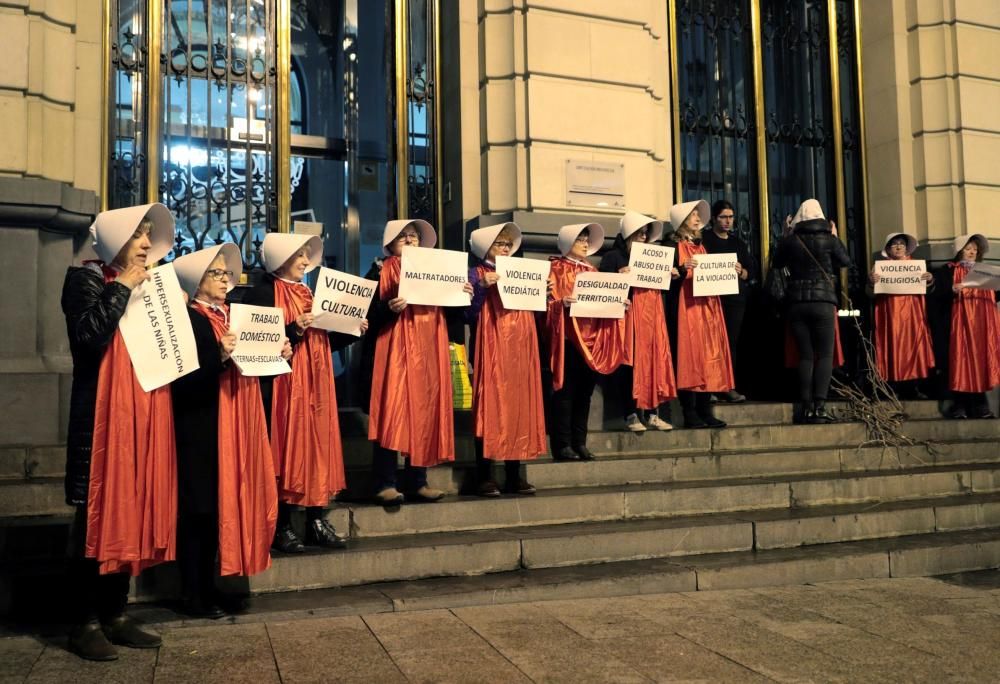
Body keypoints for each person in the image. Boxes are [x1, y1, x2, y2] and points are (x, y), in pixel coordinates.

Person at [60, 203, 175, 660]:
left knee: (131, 507)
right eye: (138, 235)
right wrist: (123, 286)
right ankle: (83, 622)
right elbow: (88, 338)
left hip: (142, 413)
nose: (147, 244)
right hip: (102, 420)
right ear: (116, 239)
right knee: (93, 517)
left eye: (150, 235)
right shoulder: (84, 279)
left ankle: (116, 614)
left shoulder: (153, 283)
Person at [172, 245, 287, 609]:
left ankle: (213, 585)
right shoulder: (189, 317)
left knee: (222, 503)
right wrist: (219, 356)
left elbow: (254, 368)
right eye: (216, 274)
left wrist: (280, 352)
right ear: (196, 281)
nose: (226, 280)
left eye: (227, 274)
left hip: (238, 420)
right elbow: (184, 376)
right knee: (201, 508)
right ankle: (193, 591)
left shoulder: (235, 315)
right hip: (203, 424)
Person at [243, 233, 364, 553]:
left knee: (317, 448)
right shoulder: (261, 293)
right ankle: (281, 524)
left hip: (317, 386)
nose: (305, 261)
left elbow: (323, 340)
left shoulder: (308, 292)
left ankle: (315, 520)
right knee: (284, 450)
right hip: (281, 388)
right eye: (298, 255)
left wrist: (351, 331)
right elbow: (253, 341)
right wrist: (291, 330)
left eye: (306, 255)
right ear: (281, 258)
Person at [367, 219, 472, 504]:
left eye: (414, 236)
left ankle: (417, 481)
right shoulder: (379, 271)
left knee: (425, 411)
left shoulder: (437, 269)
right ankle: (385, 482)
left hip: (429, 351)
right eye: (403, 237)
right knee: (393, 411)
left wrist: (463, 298)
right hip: (394, 352)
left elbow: (455, 317)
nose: (410, 240)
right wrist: (388, 309)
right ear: (390, 243)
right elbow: (365, 317)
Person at [466, 223, 544, 496]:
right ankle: (484, 475)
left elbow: (536, 312)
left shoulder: (521, 272)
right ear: (486, 247)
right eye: (500, 244)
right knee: (489, 406)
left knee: (518, 407)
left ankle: (514, 473)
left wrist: (544, 295)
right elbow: (466, 314)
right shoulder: (475, 273)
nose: (506, 248)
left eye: (508, 244)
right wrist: (481, 288)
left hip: (521, 349)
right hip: (492, 349)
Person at [545, 223, 630, 460]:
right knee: (565, 392)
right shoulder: (554, 269)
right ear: (567, 242)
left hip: (592, 341)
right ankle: (562, 444)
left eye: (585, 239)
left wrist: (620, 303)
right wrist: (560, 305)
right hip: (568, 339)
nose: (584, 243)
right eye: (579, 239)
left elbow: (603, 302)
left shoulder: (593, 272)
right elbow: (545, 304)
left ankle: (579, 441)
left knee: (585, 393)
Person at [771, 199, 851, 424]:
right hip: (823, 301)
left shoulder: (791, 240)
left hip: (796, 303)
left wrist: (786, 235)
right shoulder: (829, 239)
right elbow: (845, 261)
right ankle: (820, 406)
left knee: (805, 355)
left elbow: (776, 264)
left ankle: (805, 406)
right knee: (825, 355)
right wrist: (834, 236)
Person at [600, 209, 677, 432]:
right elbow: (600, 286)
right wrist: (617, 277)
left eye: (646, 232)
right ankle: (631, 413)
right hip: (628, 320)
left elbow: (659, 289)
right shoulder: (614, 257)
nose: (644, 236)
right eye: (639, 232)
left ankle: (653, 412)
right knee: (630, 365)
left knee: (655, 362)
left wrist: (669, 275)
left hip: (652, 319)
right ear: (628, 234)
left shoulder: (654, 256)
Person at [666, 199, 734, 428]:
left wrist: (730, 271)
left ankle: (706, 410)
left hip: (707, 309)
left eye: (697, 215)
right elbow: (667, 281)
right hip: (686, 310)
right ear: (683, 222)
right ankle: (690, 412)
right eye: (693, 215)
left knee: (708, 358)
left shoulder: (701, 245)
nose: (698, 218)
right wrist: (681, 270)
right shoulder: (671, 247)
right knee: (689, 358)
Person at [930, 234, 1000, 419]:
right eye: (968, 249)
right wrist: (951, 290)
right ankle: (959, 404)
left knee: (979, 362)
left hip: (980, 328)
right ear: (959, 250)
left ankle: (980, 405)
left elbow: (996, 293)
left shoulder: (985, 271)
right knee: (960, 362)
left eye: (975, 250)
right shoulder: (947, 270)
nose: (972, 252)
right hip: (957, 327)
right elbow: (936, 295)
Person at [868, 233, 935, 398]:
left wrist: (929, 280)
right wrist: (872, 283)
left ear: (906, 247)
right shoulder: (880, 268)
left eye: (901, 244)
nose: (898, 247)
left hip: (912, 314)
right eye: (894, 244)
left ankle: (912, 386)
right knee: (892, 346)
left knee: (913, 347)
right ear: (888, 249)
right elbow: (869, 295)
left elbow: (929, 291)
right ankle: (892, 387)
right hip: (889, 315)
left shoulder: (916, 265)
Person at [701, 199, 753, 402]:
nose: (727, 221)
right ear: (714, 218)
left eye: (730, 217)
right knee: (709, 343)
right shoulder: (704, 241)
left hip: (734, 300)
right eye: (723, 217)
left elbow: (751, 271)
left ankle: (728, 386)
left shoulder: (738, 243)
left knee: (730, 344)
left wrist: (743, 271)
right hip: (711, 300)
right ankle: (709, 387)